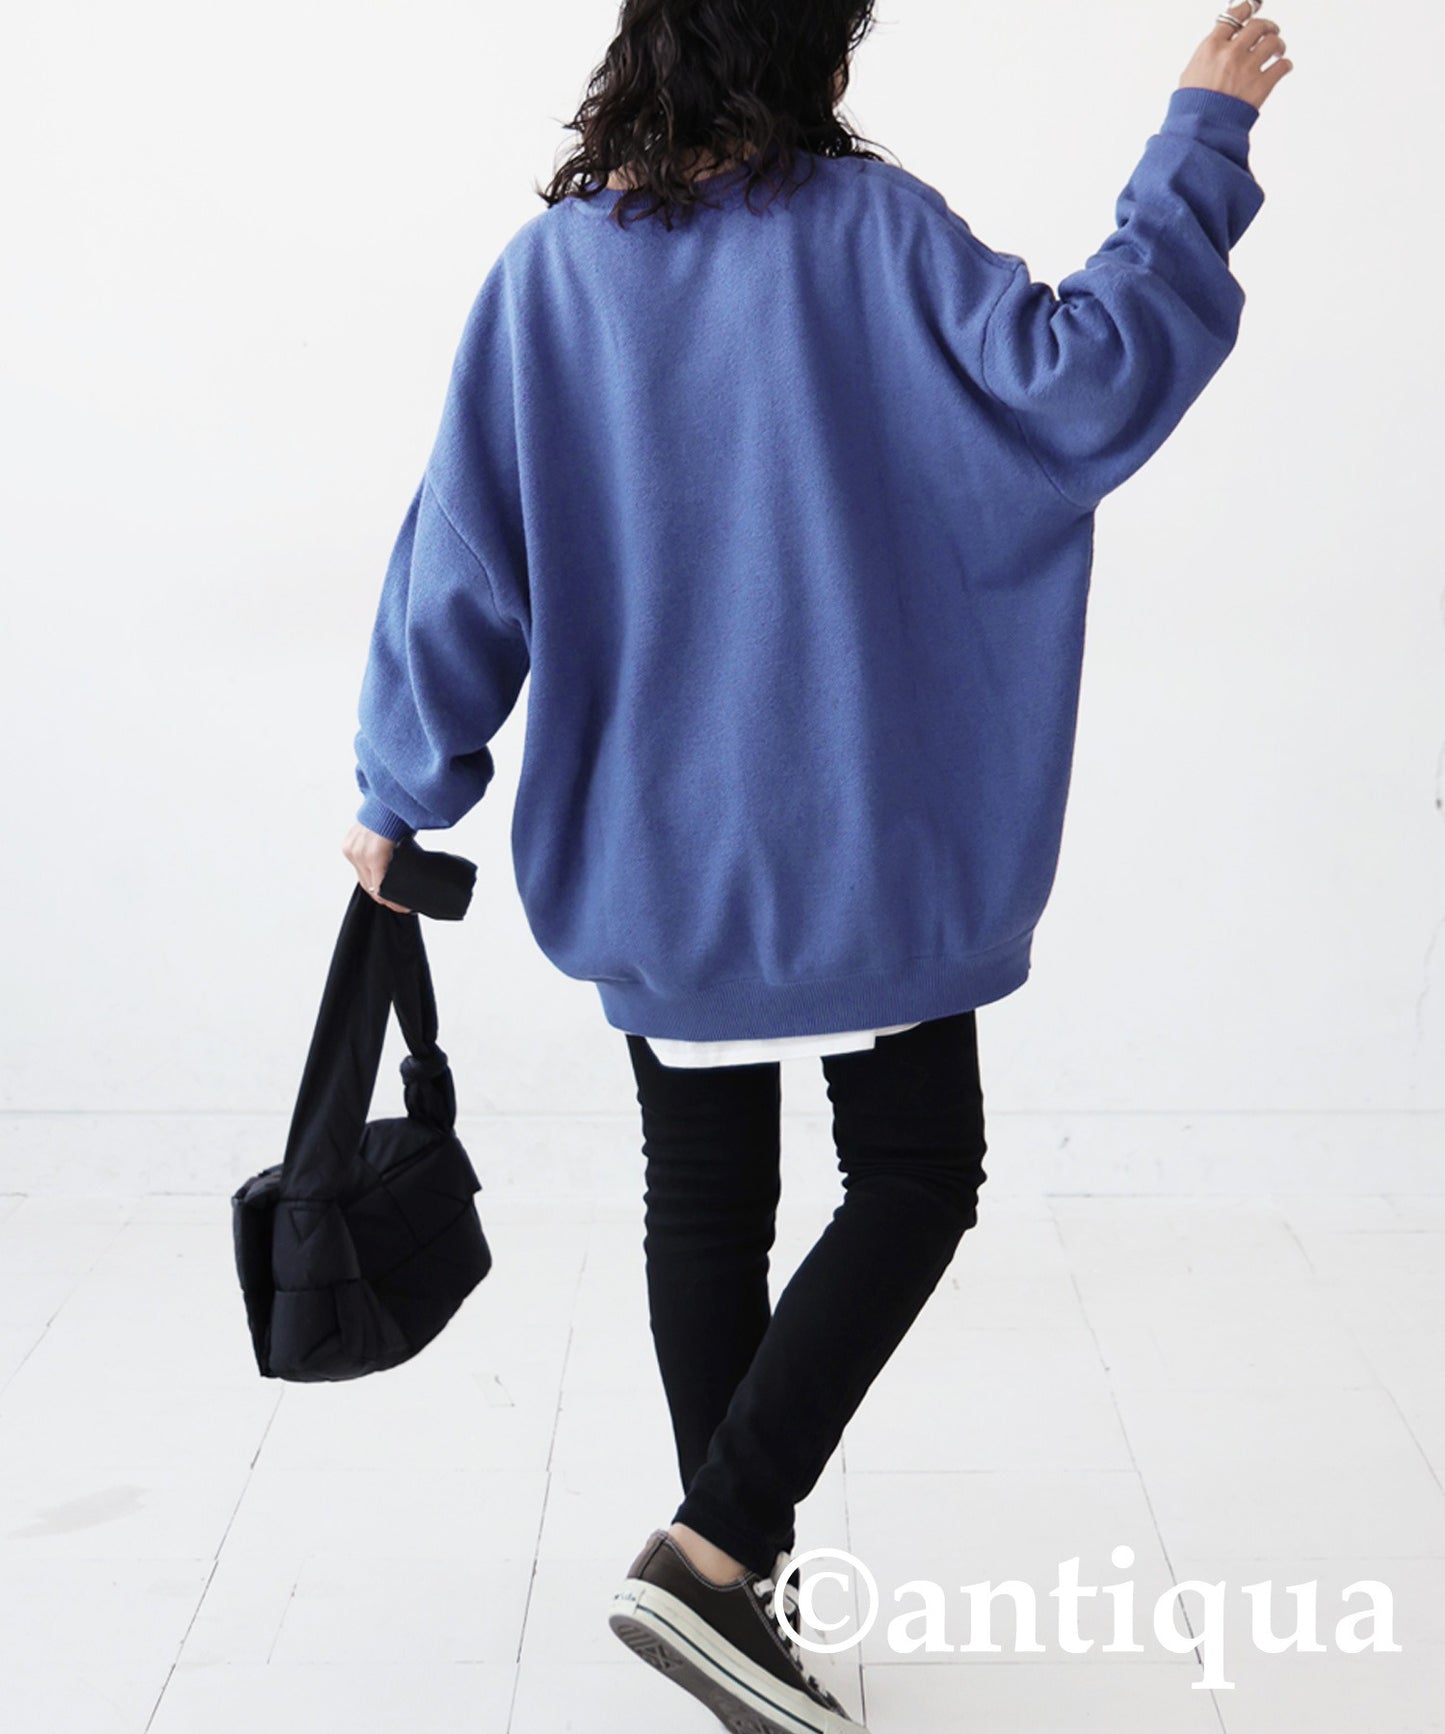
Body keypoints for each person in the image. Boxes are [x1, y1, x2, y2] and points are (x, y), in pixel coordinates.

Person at [340, 2, 1292, 1727]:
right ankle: (714, 1557)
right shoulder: (873, 232)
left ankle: (731, 1592)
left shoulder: (548, 280)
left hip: (662, 860)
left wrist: (401, 791)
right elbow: (1085, 383)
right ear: (808, 62)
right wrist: (1197, 143)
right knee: (915, 1170)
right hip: (869, 849)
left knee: (706, 1198)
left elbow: (463, 560)